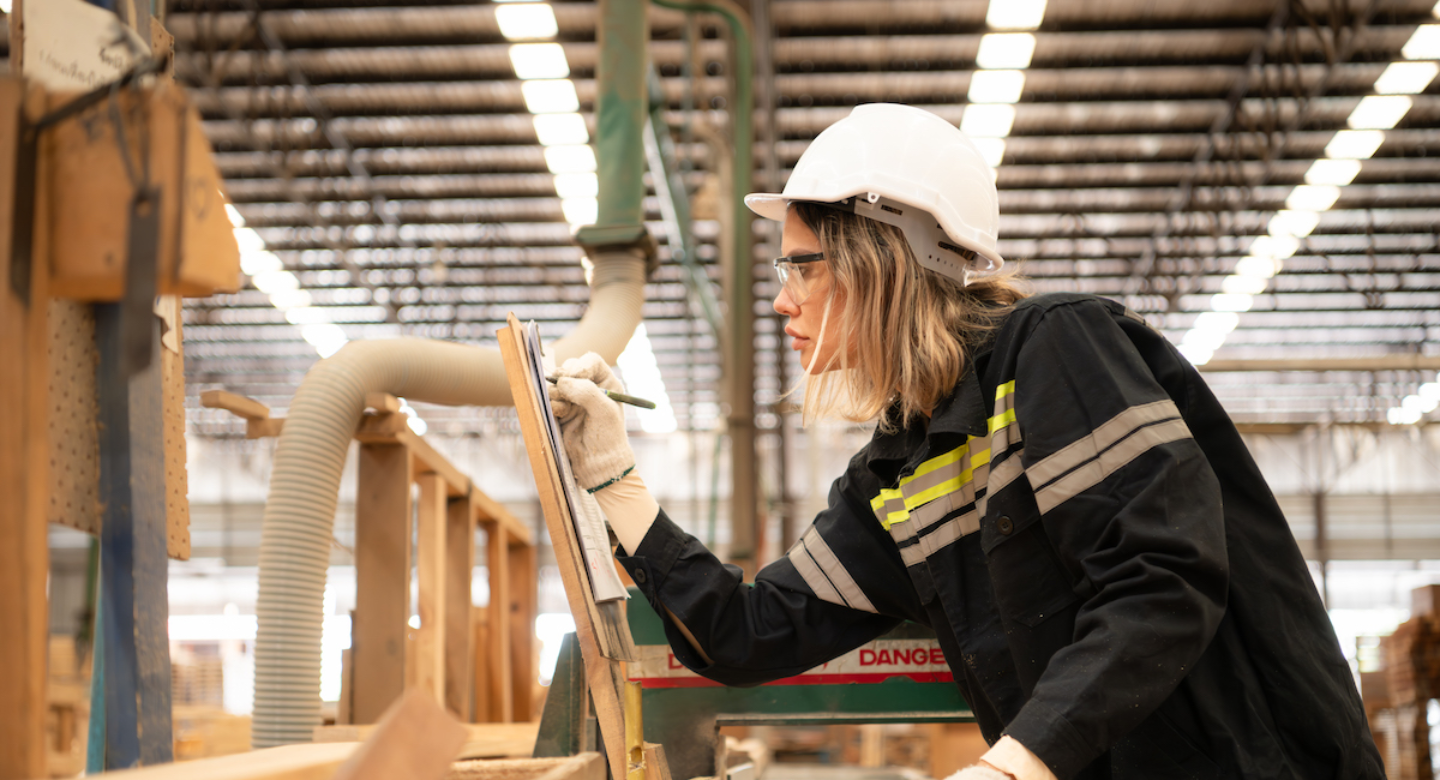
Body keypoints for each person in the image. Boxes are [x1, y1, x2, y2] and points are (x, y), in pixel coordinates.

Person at [548, 103, 1383, 780]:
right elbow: (748, 632)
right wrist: (614, 475)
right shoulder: (900, 471)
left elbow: (1161, 584)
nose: (782, 302)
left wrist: (1016, 762)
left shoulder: (1054, 350)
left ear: (881, 257)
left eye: (801, 266)